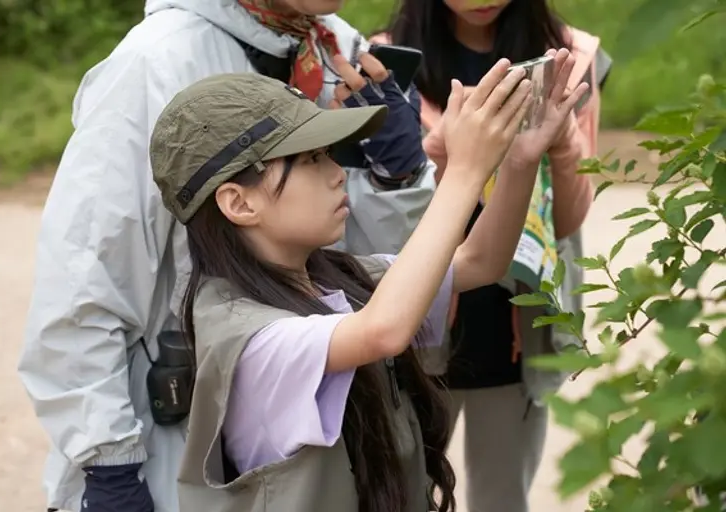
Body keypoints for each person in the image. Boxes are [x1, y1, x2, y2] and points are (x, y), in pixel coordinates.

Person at [17, 1, 439, 511]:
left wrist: (398, 179)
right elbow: (85, 281)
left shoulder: (336, 52)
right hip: (178, 441)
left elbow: (373, 273)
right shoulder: (158, 62)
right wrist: (111, 468)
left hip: (331, 438)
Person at [150, 51, 586, 510]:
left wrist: (520, 158)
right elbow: (384, 330)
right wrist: (464, 171)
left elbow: (480, 261)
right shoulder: (250, 338)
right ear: (239, 203)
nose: (339, 174)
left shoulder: (332, 278)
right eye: (313, 159)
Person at [372, 1, 611, 510]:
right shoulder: (384, 62)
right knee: (402, 491)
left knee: (502, 496)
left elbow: (568, 221)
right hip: (418, 324)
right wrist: (441, 154)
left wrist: (561, 141)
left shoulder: (574, 56)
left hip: (517, 328)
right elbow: (389, 220)